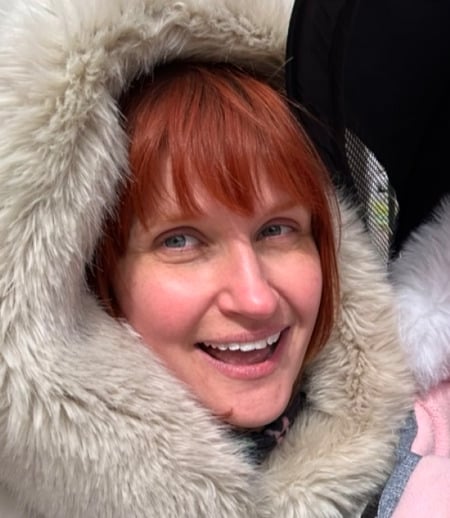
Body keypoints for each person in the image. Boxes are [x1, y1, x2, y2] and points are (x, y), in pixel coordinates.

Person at [0, 1, 412, 516]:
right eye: (180, 241)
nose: (256, 299)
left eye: (277, 230)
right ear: (87, 278)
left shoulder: (423, 468)